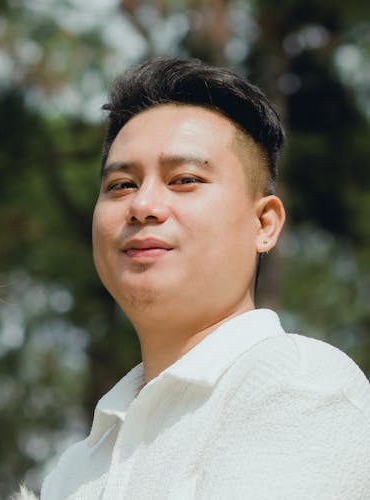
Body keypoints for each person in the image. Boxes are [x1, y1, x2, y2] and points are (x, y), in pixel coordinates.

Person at [40, 58, 370, 499]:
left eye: (185, 179)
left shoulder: (298, 387)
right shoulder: (76, 466)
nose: (143, 205)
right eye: (121, 185)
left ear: (264, 224)